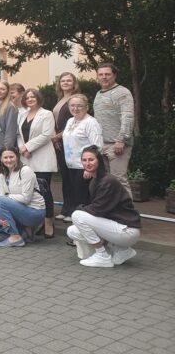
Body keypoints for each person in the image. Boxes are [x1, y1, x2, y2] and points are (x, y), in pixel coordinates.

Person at [67, 145, 141, 268]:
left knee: (77, 216)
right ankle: (122, 250)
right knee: (73, 231)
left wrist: (79, 208)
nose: (87, 163)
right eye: (84, 160)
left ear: (99, 161)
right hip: (117, 227)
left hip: (127, 229)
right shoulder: (95, 180)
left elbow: (97, 209)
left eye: (91, 160)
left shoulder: (107, 181)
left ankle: (102, 255)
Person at [17, 88, 58, 237]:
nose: (30, 99)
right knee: (30, 191)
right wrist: (22, 149)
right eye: (27, 98)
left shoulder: (46, 114)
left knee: (44, 191)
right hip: (26, 158)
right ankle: (35, 222)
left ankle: (48, 223)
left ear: (38, 98)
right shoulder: (22, 115)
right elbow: (18, 134)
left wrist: (28, 147)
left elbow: (46, 135)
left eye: (33, 97)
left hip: (42, 157)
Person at [0, 147, 45, 247]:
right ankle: (25, 234)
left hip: (34, 211)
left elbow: (26, 198)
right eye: (5, 157)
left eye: (11, 157)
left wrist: (8, 196)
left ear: (17, 157)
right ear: (1, 159)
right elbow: (1, 197)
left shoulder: (25, 171)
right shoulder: (2, 175)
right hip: (18, 209)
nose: (8, 160)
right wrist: (0, 216)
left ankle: (15, 237)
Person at [93, 62, 135, 196]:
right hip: (102, 144)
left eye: (107, 74)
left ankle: (127, 209)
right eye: (101, 74)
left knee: (119, 180)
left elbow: (128, 117)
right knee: (106, 182)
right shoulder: (99, 93)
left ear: (114, 75)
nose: (104, 77)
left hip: (117, 145)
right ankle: (112, 208)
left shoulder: (122, 92)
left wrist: (121, 140)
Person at [61, 94, 103, 223]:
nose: (75, 108)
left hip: (83, 166)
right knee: (73, 194)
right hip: (70, 164)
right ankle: (73, 217)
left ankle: (83, 223)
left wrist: (89, 168)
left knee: (82, 197)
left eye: (79, 106)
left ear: (87, 107)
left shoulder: (91, 123)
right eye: (72, 105)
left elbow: (97, 146)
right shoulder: (70, 121)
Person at [52, 72, 80, 220]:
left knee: (73, 177)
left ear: (74, 83)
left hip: (70, 143)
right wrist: (56, 139)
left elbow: (76, 122)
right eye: (63, 80)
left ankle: (74, 210)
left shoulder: (76, 99)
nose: (65, 83)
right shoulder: (61, 99)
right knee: (65, 177)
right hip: (60, 143)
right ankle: (66, 208)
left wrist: (58, 137)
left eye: (69, 80)